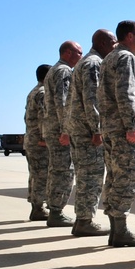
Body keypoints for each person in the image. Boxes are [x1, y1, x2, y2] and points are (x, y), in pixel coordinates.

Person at [98, 20, 135, 248]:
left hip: (109, 127)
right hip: (121, 129)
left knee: (115, 176)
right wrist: (132, 127)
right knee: (128, 177)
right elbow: (126, 94)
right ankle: (120, 231)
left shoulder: (109, 58)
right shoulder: (126, 58)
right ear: (128, 36)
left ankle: (116, 228)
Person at [66, 29, 117, 237]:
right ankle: (84, 220)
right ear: (103, 43)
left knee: (86, 175)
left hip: (79, 129)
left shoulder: (84, 63)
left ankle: (83, 219)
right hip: (87, 132)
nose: (115, 47)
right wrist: (97, 130)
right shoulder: (94, 64)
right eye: (113, 43)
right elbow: (92, 99)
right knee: (91, 176)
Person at [42, 40, 83, 226]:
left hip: (52, 127)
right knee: (64, 171)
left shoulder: (54, 71)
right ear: (67, 53)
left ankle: (54, 210)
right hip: (60, 130)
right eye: (78, 53)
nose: (80, 57)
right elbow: (63, 102)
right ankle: (56, 212)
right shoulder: (64, 71)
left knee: (56, 170)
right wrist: (66, 130)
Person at [23, 64, 51, 221]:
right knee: (41, 175)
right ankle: (38, 208)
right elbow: (43, 117)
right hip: (39, 142)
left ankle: (36, 206)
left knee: (35, 175)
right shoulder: (42, 93)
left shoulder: (33, 92)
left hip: (31, 139)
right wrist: (44, 138)